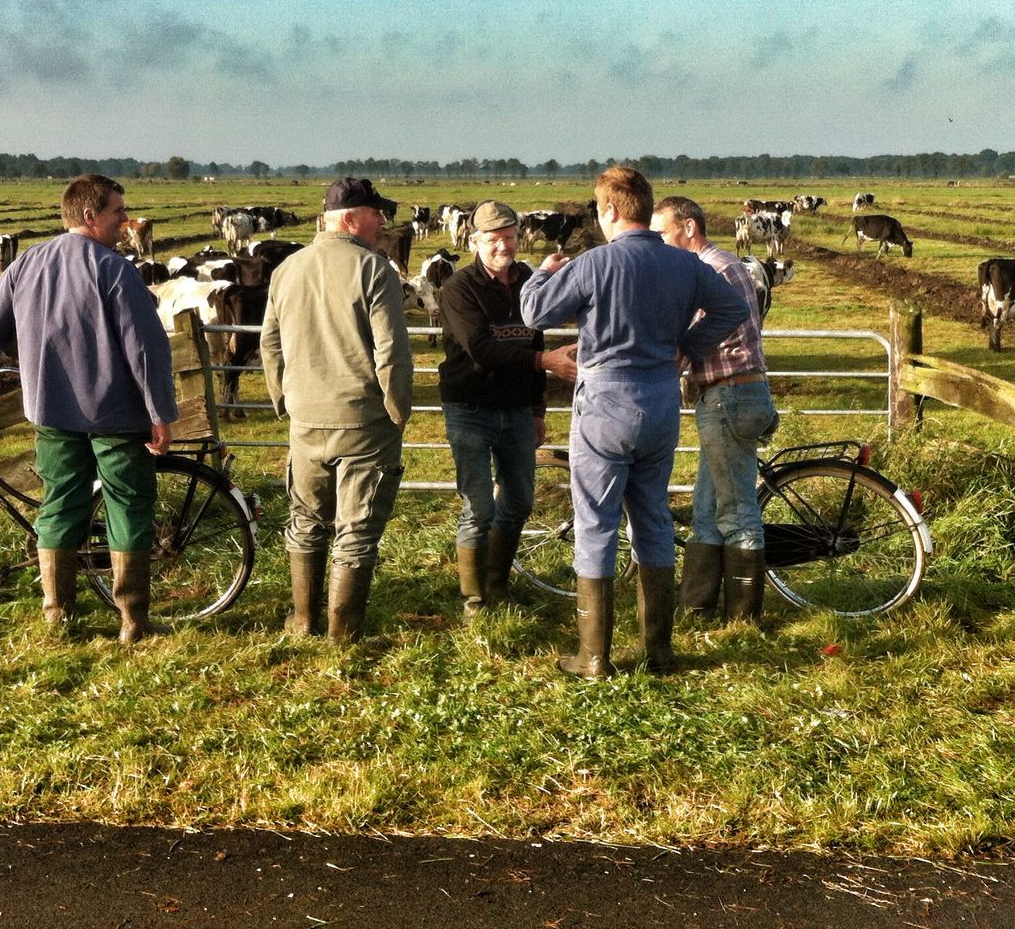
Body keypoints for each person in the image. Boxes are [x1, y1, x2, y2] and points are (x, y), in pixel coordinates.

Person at [519, 166, 748, 678]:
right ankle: (659, 651)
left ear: (610, 211)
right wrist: (688, 348)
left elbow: (534, 313)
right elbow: (733, 307)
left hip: (604, 403)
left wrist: (543, 270)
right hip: (661, 401)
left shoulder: (594, 263)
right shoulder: (684, 265)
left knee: (596, 522)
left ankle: (594, 656)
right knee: (654, 518)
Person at [0, 174, 177, 643]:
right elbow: (146, 348)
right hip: (116, 416)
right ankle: (133, 622)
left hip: (51, 413)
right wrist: (160, 411)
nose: (125, 222)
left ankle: (58, 617)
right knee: (128, 506)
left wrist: (15, 364)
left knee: (60, 504)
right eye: (118, 212)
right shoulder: (114, 269)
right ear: (89, 215)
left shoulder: (26, 264)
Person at [260, 177, 413, 643]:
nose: (383, 222)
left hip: (306, 419)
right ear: (351, 218)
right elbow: (392, 351)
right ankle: (343, 633)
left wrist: (283, 400)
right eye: (376, 213)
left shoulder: (287, 268)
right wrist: (398, 409)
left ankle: (304, 621)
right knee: (357, 527)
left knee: (305, 520)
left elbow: (269, 342)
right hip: (365, 421)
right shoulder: (375, 270)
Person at [436, 200, 577, 618]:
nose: (504, 246)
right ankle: (475, 599)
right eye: (494, 239)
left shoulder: (528, 281)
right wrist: (545, 362)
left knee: (518, 501)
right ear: (475, 240)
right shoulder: (458, 289)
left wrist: (538, 410)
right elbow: (481, 349)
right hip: (470, 407)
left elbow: (534, 339)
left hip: (517, 409)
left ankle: (498, 584)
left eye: (511, 237)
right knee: (479, 506)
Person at [651, 196, 778, 623]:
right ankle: (696, 607)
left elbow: (689, 335)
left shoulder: (712, 270)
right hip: (730, 395)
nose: (660, 243)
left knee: (738, 511)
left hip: (729, 396)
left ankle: (744, 618)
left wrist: (669, 358)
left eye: (663, 233)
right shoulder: (722, 264)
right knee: (707, 509)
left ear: (688, 228)